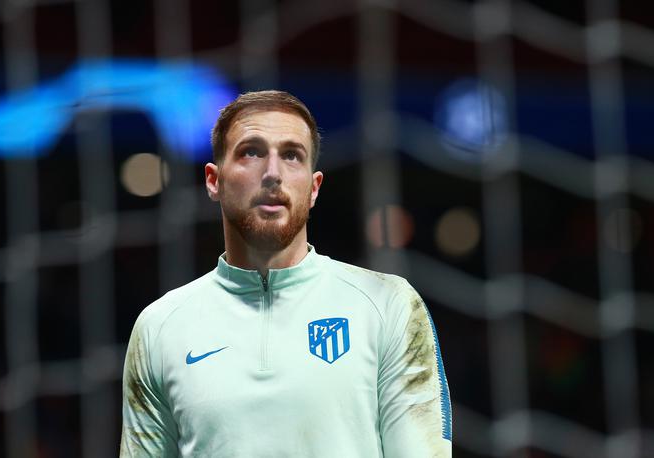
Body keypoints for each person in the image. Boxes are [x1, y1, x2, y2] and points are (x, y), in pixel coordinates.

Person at [120, 90, 452, 457]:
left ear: (313, 188)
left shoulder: (387, 305)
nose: (273, 174)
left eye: (292, 155)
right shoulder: (160, 327)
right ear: (214, 180)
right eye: (251, 152)